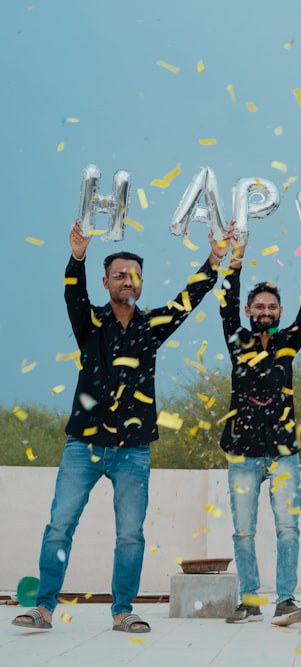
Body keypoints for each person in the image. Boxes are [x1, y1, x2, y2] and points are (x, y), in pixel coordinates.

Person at [12, 220, 224, 633]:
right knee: (60, 525)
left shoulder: (151, 328)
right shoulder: (89, 323)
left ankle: (123, 611)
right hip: (84, 446)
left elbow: (188, 299)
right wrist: (77, 256)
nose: (128, 280)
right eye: (119, 275)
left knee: (130, 535)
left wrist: (214, 258)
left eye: (134, 275)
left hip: (133, 450)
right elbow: (73, 293)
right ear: (107, 282)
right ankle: (43, 609)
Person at [218, 228, 301, 626]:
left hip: (283, 453)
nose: (265, 311)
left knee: (287, 530)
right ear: (250, 311)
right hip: (242, 453)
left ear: (280, 312)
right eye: (259, 305)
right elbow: (225, 304)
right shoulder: (237, 341)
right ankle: (249, 601)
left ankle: (285, 601)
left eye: (272, 306)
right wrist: (236, 258)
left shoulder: (288, 343)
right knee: (243, 532)